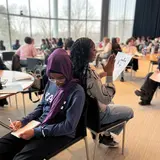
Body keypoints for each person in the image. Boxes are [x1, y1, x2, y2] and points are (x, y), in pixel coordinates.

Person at [0, 48, 85, 159]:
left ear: (68, 71)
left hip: (60, 133)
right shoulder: (50, 83)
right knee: (3, 146)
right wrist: (23, 121)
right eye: (52, 78)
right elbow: (41, 107)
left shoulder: (76, 92)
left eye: (61, 78)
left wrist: (36, 132)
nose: (57, 82)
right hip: (40, 124)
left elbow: (68, 126)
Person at [70, 37, 134, 147]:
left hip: (84, 113)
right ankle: (105, 134)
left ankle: (105, 135)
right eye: (93, 49)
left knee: (112, 105)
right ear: (85, 52)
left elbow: (89, 83)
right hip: (96, 115)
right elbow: (107, 97)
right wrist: (109, 74)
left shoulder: (74, 68)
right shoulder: (90, 74)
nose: (96, 51)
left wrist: (101, 74)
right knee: (130, 112)